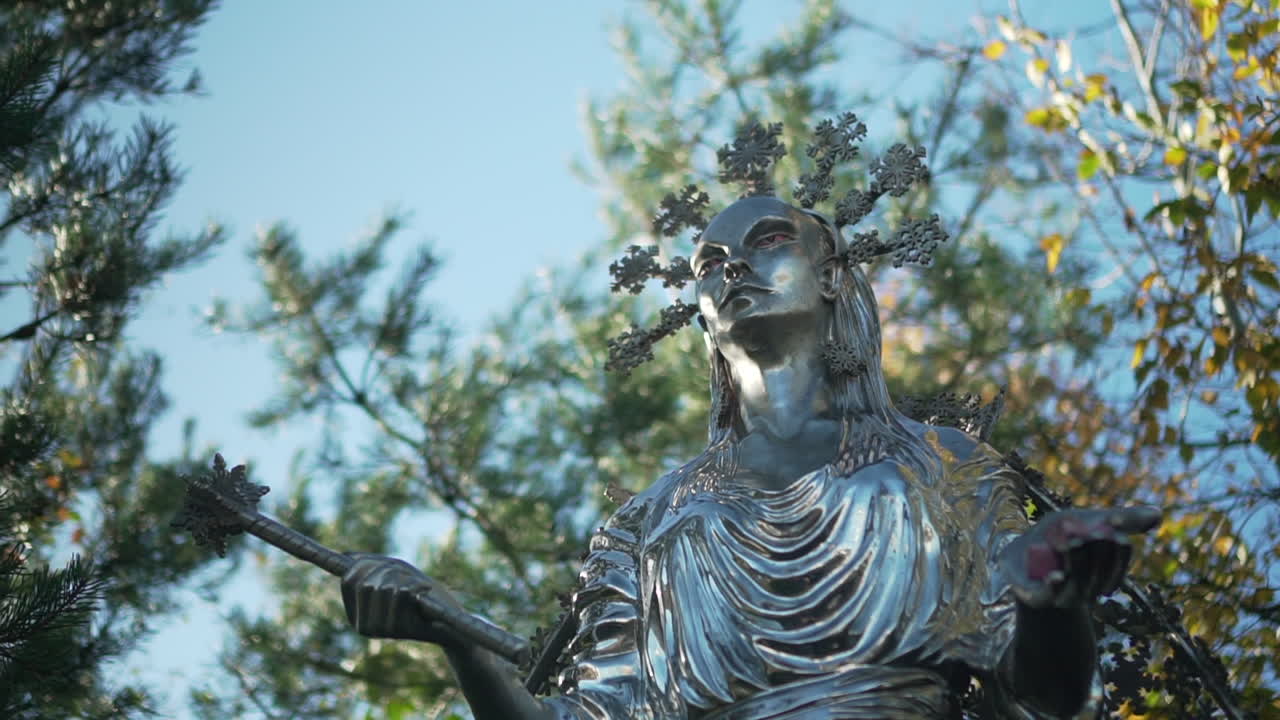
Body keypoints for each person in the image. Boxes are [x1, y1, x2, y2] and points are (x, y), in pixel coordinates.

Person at [341, 196, 1159, 719]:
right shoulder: (650, 521)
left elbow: (1047, 692)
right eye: (708, 265)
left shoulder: (942, 466)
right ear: (700, 316)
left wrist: (1050, 601)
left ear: (835, 273)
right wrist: (458, 640)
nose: (732, 268)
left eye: (767, 242)